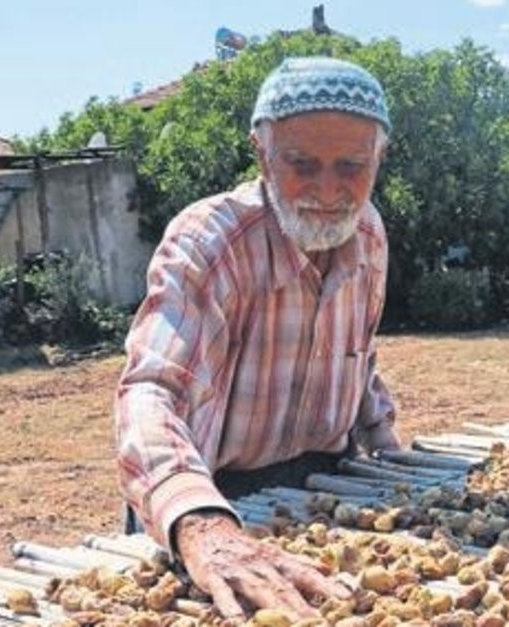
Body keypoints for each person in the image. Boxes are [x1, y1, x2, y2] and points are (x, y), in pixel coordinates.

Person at [114, 56, 402, 620]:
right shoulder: (211, 241)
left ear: (379, 158)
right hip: (213, 497)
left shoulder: (369, 233)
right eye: (301, 163)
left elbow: (358, 356)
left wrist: (390, 455)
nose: (327, 189)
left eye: (351, 166)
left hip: (327, 488)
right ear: (260, 153)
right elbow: (152, 390)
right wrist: (200, 525)